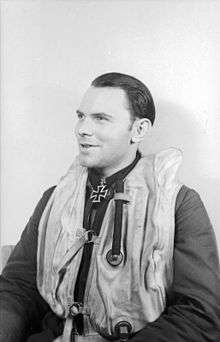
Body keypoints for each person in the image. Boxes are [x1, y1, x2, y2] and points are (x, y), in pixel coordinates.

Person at [0, 72, 220, 342]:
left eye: (100, 118)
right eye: (81, 116)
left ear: (139, 130)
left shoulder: (179, 204)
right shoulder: (54, 199)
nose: (82, 129)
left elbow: (199, 313)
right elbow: (18, 288)